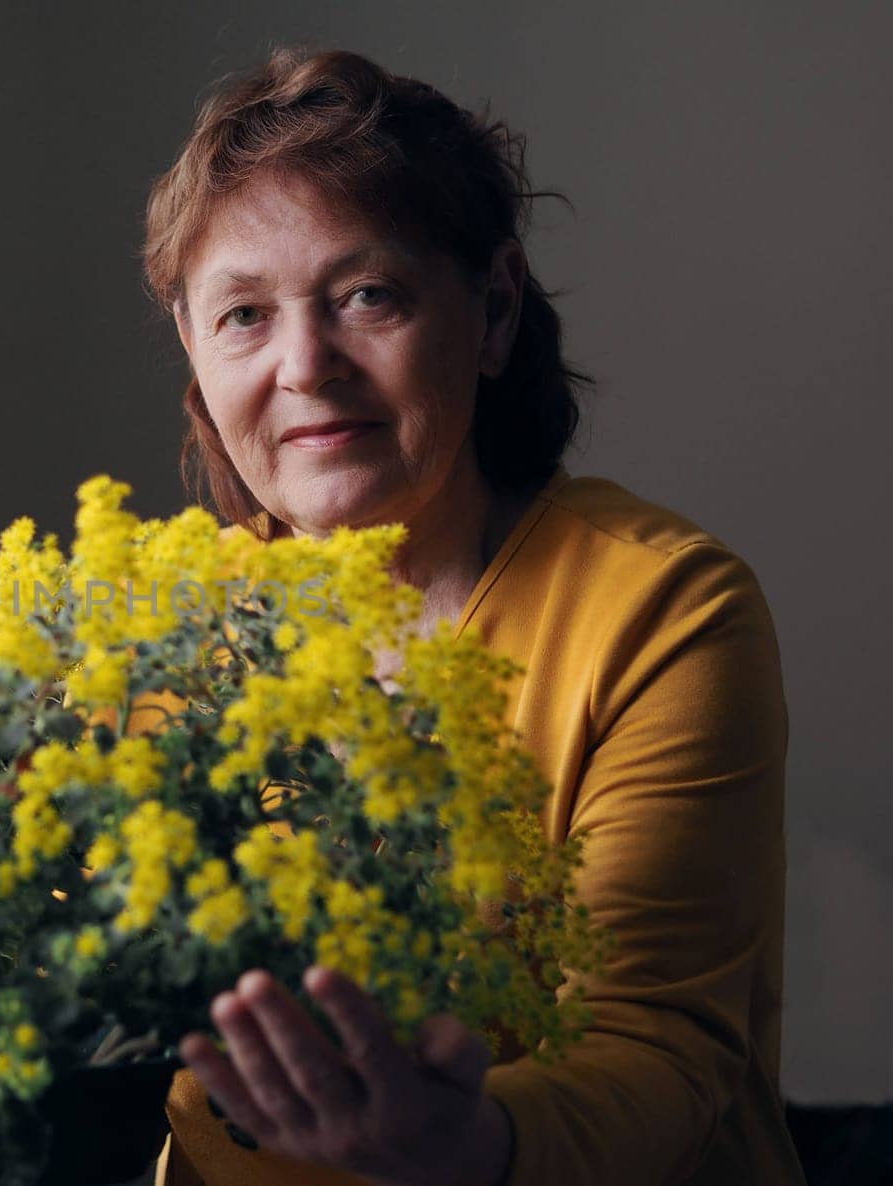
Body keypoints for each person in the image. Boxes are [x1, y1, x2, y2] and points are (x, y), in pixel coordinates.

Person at [140, 47, 806, 1186]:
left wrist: (461, 1145)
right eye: (244, 314)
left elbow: (660, 1052)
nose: (307, 366)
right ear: (198, 363)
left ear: (491, 310)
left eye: (366, 296)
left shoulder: (663, 609)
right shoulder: (160, 627)